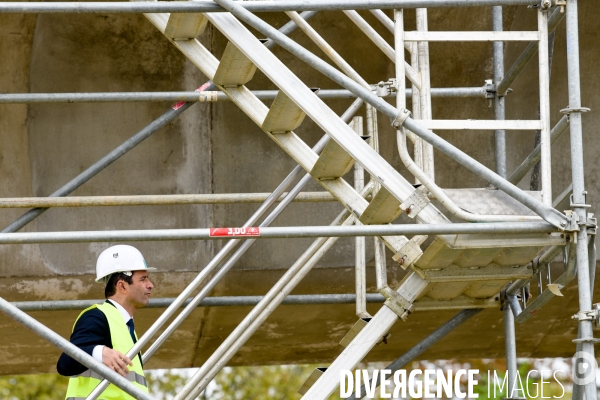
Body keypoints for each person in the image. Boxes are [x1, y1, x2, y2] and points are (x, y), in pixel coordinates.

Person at [57, 244, 155, 399]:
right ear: (122, 286)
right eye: (143, 279)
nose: (150, 285)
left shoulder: (126, 327)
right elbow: (65, 363)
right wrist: (99, 352)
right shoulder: (97, 316)